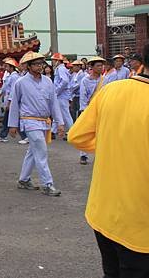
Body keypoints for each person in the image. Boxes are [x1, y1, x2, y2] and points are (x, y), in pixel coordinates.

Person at [68, 44, 149, 277]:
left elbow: (77, 136)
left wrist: (113, 145)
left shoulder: (111, 90)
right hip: (140, 225)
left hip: (103, 212)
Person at [8, 52, 64, 197]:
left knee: (33, 152)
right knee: (41, 151)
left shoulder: (48, 81)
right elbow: (14, 104)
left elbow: (54, 103)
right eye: (36, 64)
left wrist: (60, 122)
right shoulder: (20, 83)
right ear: (28, 66)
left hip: (44, 121)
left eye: (41, 64)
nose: (40, 66)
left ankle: (24, 179)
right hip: (29, 120)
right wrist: (12, 125)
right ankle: (47, 184)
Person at [77, 56, 106, 165]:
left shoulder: (105, 79)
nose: (100, 68)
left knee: (101, 132)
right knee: (87, 132)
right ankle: (83, 155)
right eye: (98, 66)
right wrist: (84, 110)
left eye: (101, 65)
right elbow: (83, 96)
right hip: (89, 109)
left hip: (101, 109)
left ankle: (99, 155)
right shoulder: (85, 80)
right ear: (92, 67)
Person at [0, 58, 19, 143]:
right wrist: (0, 93)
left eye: (7, 66)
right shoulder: (10, 76)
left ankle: (2, 135)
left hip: (11, 100)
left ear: (12, 67)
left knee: (7, 119)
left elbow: (13, 90)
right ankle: (24, 136)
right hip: (8, 99)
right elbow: (5, 87)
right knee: (11, 118)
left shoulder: (14, 77)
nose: (5, 68)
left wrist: (10, 101)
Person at [51, 53, 73, 138]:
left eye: (53, 60)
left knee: (65, 115)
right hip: (61, 95)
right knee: (58, 113)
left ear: (57, 61)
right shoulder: (60, 69)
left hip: (61, 95)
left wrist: (56, 91)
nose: (52, 62)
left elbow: (65, 81)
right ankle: (53, 131)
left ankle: (72, 131)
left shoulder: (61, 69)